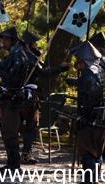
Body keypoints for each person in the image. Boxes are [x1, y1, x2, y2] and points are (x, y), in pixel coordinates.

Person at [0, 27, 36, 170]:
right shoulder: (15, 53)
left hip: (13, 97)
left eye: (5, 39)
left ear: (11, 40)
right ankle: (11, 163)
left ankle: (14, 164)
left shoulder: (18, 54)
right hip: (9, 97)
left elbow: (12, 77)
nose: (3, 42)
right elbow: (7, 70)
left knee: (10, 132)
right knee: (8, 132)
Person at [19, 30, 69, 164]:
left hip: (16, 94)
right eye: (34, 43)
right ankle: (25, 154)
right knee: (31, 125)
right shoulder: (30, 58)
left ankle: (19, 154)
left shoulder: (16, 54)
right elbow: (44, 73)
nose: (36, 46)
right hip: (28, 96)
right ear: (30, 44)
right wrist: (60, 68)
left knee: (19, 125)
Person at [67, 40, 105, 184]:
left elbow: (90, 98)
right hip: (100, 118)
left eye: (78, 61)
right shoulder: (101, 71)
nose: (76, 64)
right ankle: (94, 179)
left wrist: (83, 116)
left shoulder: (89, 75)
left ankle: (89, 181)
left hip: (91, 119)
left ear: (84, 60)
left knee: (87, 149)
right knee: (96, 150)